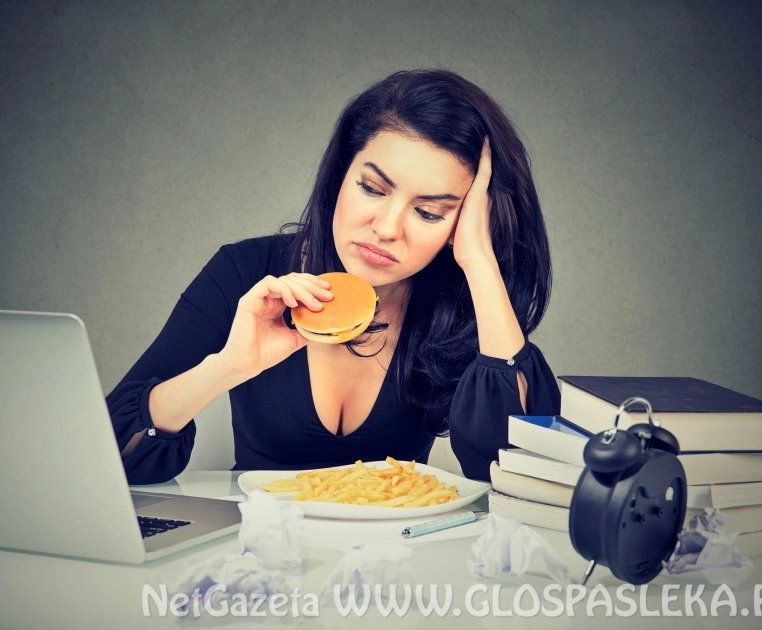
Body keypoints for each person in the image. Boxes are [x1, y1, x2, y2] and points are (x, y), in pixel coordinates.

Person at [107, 69, 561, 485]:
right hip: (256, 539)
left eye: (428, 212)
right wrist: (229, 367)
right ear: (341, 174)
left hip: (399, 544)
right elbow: (112, 458)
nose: (387, 228)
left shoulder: (455, 300)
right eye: (372, 188)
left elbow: (520, 473)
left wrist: (480, 262)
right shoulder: (245, 271)